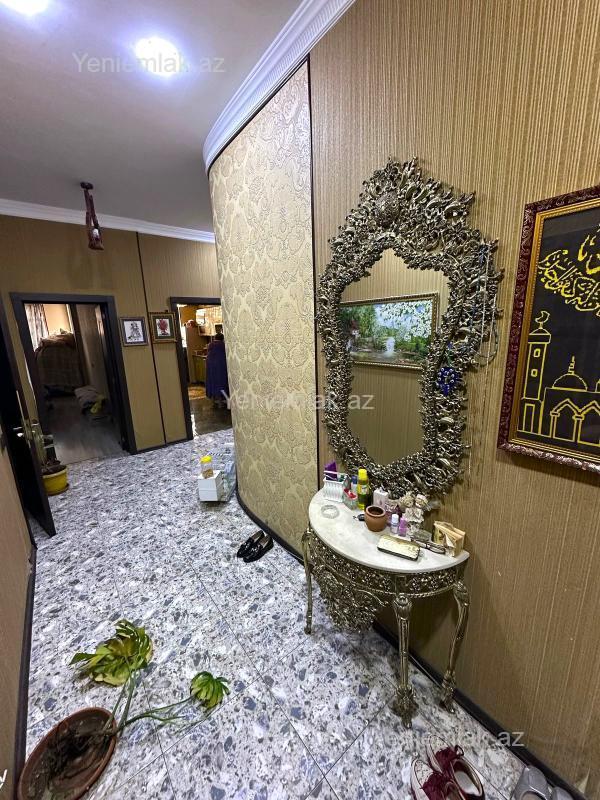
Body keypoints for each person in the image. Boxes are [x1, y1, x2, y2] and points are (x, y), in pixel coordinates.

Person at [205, 332, 229, 408]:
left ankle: (213, 402)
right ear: (222, 338)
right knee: (221, 384)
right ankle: (220, 403)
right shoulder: (223, 345)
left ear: (215, 338)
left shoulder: (210, 345)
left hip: (211, 367)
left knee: (212, 383)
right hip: (221, 367)